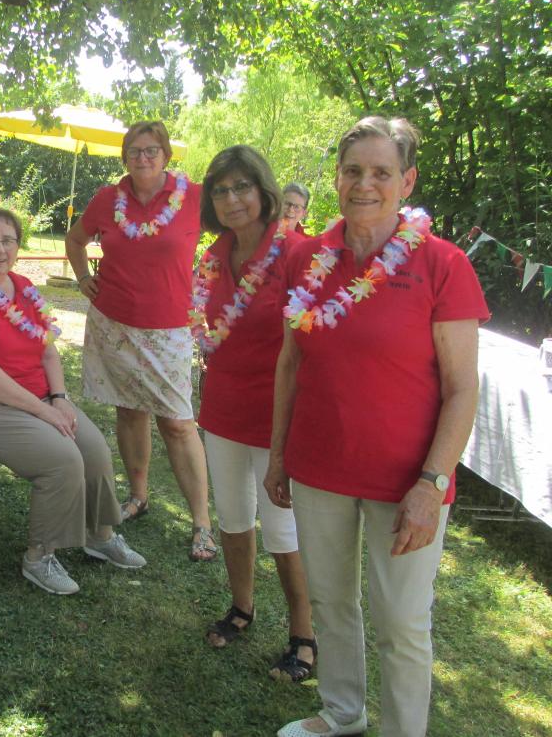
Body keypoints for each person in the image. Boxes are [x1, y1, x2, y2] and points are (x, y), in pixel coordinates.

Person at [264, 117, 488, 737]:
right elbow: (289, 363)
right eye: (353, 171)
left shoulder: (443, 264)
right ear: (336, 178)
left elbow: (463, 387)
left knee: (402, 623)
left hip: (407, 480)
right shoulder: (306, 259)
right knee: (333, 603)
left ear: (406, 180)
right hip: (319, 466)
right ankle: (342, 714)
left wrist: (432, 483)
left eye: (381, 173)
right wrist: (279, 455)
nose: (365, 184)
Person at [0, 208, 146, 595]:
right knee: (62, 459)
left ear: (18, 246)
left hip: (38, 396)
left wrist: (60, 398)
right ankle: (39, 557)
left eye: (8, 240)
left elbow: (48, 352)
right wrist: (44, 412)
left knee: (95, 449)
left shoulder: (26, 290)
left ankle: (99, 535)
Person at [65, 120, 217, 561]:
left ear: (166, 155)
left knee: (177, 421)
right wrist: (81, 279)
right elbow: (76, 240)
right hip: (114, 321)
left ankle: (202, 523)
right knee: (129, 411)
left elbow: (236, 230)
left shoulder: (195, 196)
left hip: (168, 326)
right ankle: (138, 495)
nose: (143, 158)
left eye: (152, 150)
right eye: (135, 151)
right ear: (125, 157)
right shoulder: (108, 200)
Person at [192, 147, 314, 681]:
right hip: (222, 408)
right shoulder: (213, 257)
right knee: (234, 517)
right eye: (220, 190)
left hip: (279, 416)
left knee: (284, 529)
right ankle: (242, 608)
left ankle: (304, 635)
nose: (232, 199)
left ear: (263, 192)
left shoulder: (297, 253)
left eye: (241, 187)